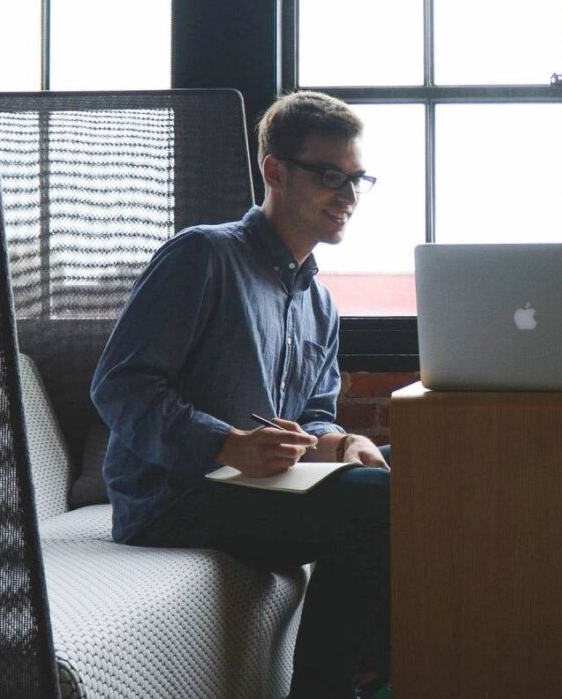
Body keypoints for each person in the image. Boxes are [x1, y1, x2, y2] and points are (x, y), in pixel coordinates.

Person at [90, 90, 391, 699]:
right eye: (331, 176)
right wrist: (227, 445)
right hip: (172, 497)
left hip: (256, 493)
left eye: (359, 179)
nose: (350, 197)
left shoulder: (320, 304)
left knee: (407, 489)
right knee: (375, 505)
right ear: (274, 170)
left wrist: (338, 440)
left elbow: (310, 415)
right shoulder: (203, 255)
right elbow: (119, 386)